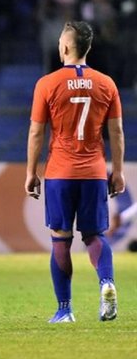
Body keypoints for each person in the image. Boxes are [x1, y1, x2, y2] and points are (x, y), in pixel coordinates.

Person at [25, 21, 125, 324]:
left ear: (66, 47)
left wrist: (31, 172)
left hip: (60, 172)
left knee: (60, 239)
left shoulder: (47, 83)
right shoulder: (106, 83)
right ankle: (106, 282)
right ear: (88, 48)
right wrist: (117, 171)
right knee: (94, 236)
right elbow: (117, 131)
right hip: (94, 171)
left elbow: (36, 133)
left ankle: (65, 310)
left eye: (59, 41)